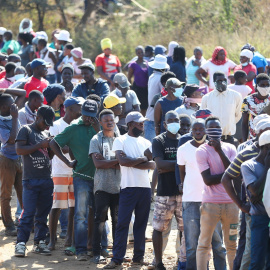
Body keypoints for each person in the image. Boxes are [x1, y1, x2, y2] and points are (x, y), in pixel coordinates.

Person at [49, 99, 100, 261]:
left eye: (92, 116)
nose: (88, 119)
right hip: (82, 177)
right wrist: (67, 162)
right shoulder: (73, 128)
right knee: (80, 214)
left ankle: (94, 246)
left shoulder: (99, 128)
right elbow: (53, 143)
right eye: (86, 115)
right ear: (81, 113)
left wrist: (97, 127)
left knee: (97, 214)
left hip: (100, 177)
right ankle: (81, 249)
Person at [104, 112, 155, 269]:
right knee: (122, 223)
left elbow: (152, 165)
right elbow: (122, 161)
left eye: (143, 123)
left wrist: (132, 161)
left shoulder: (147, 142)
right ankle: (117, 258)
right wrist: (141, 159)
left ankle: (138, 257)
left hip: (145, 188)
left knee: (141, 224)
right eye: (140, 123)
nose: (143, 125)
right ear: (131, 124)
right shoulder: (120, 140)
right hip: (128, 188)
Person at [221, 115, 270, 270]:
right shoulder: (248, 163)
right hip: (258, 215)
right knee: (253, 255)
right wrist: (241, 204)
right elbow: (254, 192)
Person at [178, 119, 227, 270]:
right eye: (195, 130)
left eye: (201, 129)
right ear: (191, 131)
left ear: (206, 130)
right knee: (192, 245)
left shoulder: (213, 148)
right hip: (191, 200)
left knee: (218, 243)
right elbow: (181, 174)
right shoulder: (183, 149)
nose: (198, 132)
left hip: (212, 200)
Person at [195, 116, 238, 270]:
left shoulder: (231, 148)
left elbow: (233, 173)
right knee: (204, 244)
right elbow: (208, 180)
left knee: (232, 244)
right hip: (210, 204)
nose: (215, 131)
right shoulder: (201, 151)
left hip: (231, 204)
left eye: (218, 128)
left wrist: (219, 150)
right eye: (211, 128)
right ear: (206, 131)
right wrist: (228, 175)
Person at [14, 105, 55, 257]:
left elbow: (48, 157)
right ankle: (21, 243)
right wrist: (40, 145)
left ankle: (39, 242)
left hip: (46, 179)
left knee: (43, 214)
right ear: (37, 117)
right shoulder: (26, 130)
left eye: (49, 123)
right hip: (30, 180)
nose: (46, 125)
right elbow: (19, 150)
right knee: (28, 213)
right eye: (45, 122)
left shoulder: (45, 132)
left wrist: (50, 148)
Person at [48, 96, 84, 251]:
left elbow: (65, 146)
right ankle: (52, 240)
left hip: (76, 172)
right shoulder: (56, 125)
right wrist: (76, 146)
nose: (81, 110)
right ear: (70, 109)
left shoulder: (79, 126)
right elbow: (59, 147)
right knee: (57, 206)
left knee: (73, 207)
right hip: (60, 172)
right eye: (79, 107)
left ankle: (70, 237)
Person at [152, 111, 185, 270]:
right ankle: (158, 262)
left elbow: (166, 165)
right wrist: (180, 165)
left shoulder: (185, 140)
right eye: (170, 120)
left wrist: (169, 165)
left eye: (176, 120)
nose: (174, 123)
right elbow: (160, 166)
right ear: (164, 124)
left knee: (184, 230)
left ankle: (182, 261)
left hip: (184, 193)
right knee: (158, 228)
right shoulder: (159, 141)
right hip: (164, 192)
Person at [89, 109, 121, 264]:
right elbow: (97, 164)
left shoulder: (120, 139)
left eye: (112, 119)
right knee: (99, 220)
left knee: (117, 221)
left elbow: (125, 164)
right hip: (102, 186)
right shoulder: (96, 139)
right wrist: (117, 162)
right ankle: (97, 253)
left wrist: (107, 162)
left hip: (119, 186)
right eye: (106, 120)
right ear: (100, 123)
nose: (110, 122)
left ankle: (116, 254)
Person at [241, 130, 270, 269]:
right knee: (257, 260)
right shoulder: (248, 166)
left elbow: (257, 196)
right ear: (266, 148)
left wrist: (257, 195)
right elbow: (255, 192)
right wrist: (267, 168)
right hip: (260, 218)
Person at [0, 89, 26, 236]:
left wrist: (5, 90)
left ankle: (25, 221)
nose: (15, 107)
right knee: (6, 194)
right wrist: (15, 118)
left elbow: (22, 93)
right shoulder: (5, 120)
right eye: (11, 106)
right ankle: (9, 225)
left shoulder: (11, 115)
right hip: (6, 160)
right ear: (4, 108)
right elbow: (11, 139)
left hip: (18, 158)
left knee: (23, 192)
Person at [201, 71, 242, 144]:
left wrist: (229, 123)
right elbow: (203, 118)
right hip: (211, 139)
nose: (222, 82)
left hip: (228, 138)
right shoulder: (206, 98)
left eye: (224, 80)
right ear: (214, 82)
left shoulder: (236, 96)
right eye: (219, 81)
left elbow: (238, 115)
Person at [145, 55, 169, 142]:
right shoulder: (161, 79)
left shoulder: (152, 76)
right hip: (154, 117)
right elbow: (164, 94)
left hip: (149, 115)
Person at [242, 73, 270, 141]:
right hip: (253, 137)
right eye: (262, 85)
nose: (265, 87)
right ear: (257, 86)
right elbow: (244, 123)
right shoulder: (247, 100)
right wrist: (244, 141)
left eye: (267, 85)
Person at [128, 46, 148, 116]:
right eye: (138, 53)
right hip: (137, 88)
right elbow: (129, 77)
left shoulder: (147, 63)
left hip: (146, 88)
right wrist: (129, 88)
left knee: (144, 106)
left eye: (142, 52)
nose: (140, 54)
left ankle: (143, 122)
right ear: (136, 53)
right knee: (137, 105)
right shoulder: (133, 64)